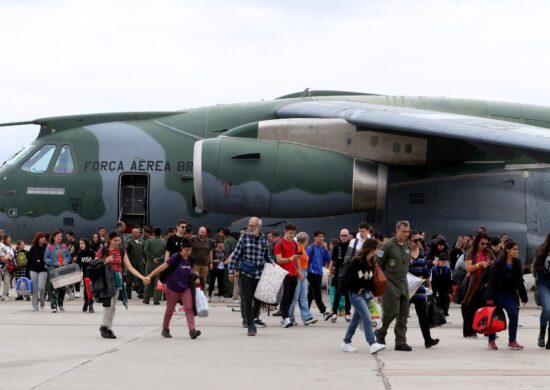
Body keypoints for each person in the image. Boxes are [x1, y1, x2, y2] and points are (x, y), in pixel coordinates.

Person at [94, 231, 148, 339]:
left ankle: (109, 328)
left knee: (113, 306)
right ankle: (104, 327)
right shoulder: (103, 250)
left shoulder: (122, 251)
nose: (117, 242)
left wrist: (142, 277)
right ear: (110, 240)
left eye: (119, 240)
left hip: (117, 279)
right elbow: (94, 264)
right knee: (107, 304)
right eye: (115, 240)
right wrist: (105, 261)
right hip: (106, 279)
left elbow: (130, 267)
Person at [145, 238, 201, 339]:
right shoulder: (176, 257)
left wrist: (195, 274)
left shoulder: (191, 259)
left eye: (190, 250)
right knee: (170, 310)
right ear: (181, 248)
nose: (188, 252)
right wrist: (149, 276)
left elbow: (190, 270)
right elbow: (162, 267)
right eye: (186, 250)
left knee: (189, 308)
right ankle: (165, 329)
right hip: (172, 287)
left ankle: (192, 330)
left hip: (185, 287)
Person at [228, 217, 273, 336]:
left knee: (258, 300)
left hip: (259, 274)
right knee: (247, 299)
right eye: (249, 225)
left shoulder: (264, 240)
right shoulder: (244, 238)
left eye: (252, 226)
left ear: (259, 226)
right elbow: (236, 255)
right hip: (245, 273)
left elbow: (267, 256)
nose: (250, 228)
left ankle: (251, 319)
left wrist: (273, 264)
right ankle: (251, 326)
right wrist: (231, 271)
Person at [341, 238, 386, 354]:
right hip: (356, 295)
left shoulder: (371, 263)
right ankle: (372, 343)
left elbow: (370, 281)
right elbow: (347, 278)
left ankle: (346, 341)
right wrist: (356, 288)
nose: (378, 250)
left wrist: (372, 293)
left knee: (355, 320)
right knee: (367, 317)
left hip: (367, 295)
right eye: (377, 248)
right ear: (372, 249)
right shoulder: (356, 262)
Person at [375, 220, 413, 351]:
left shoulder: (407, 246)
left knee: (403, 314)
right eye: (403, 231)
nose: (406, 234)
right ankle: (381, 332)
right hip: (390, 283)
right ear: (397, 230)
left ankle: (401, 342)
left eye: (408, 231)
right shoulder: (388, 245)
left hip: (403, 283)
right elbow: (378, 264)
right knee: (391, 312)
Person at [483, 241, 528, 350]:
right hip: (498, 294)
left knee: (514, 315)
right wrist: (489, 297)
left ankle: (512, 341)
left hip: (510, 295)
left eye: (517, 249)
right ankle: (491, 341)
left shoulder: (517, 263)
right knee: (495, 317)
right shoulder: (498, 263)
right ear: (507, 250)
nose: (516, 251)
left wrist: (524, 297)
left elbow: (520, 281)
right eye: (514, 249)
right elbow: (492, 281)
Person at [408, 231, 439, 348]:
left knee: (423, 316)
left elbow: (424, 270)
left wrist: (429, 285)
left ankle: (428, 340)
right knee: (401, 315)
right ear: (409, 241)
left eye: (420, 240)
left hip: (419, 288)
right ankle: (385, 335)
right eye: (416, 240)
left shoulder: (421, 252)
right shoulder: (405, 253)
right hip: (407, 289)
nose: (418, 242)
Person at [461, 233, 495, 339]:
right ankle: (469, 331)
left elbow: (496, 263)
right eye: (482, 243)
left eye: (486, 243)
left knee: (487, 307)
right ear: (477, 242)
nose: (484, 245)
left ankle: (487, 330)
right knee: (471, 307)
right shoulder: (472, 253)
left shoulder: (489, 252)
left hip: (486, 283)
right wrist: (479, 264)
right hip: (474, 284)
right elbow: (468, 268)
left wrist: (490, 263)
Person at [274, 224, 301, 328]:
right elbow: (278, 260)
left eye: (293, 233)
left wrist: (299, 271)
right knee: (285, 296)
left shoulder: (294, 243)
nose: (292, 235)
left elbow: (297, 257)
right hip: (283, 273)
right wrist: (290, 258)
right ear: (285, 231)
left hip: (293, 273)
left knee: (291, 297)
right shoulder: (279, 243)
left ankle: (284, 317)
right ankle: (285, 318)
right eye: (290, 233)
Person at [288, 232, 318, 326]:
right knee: (295, 297)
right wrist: (299, 271)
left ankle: (306, 317)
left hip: (303, 273)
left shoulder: (301, 248)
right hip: (299, 273)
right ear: (306, 240)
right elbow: (297, 260)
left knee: (303, 296)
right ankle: (290, 317)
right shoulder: (298, 248)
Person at [327, 228, 352, 322]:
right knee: (337, 293)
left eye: (346, 235)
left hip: (348, 273)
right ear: (340, 236)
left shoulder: (351, 247)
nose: (344, 237)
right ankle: (334, 313)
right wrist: (331, 268)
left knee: (347, 295)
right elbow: (333, 259)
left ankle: (348, 313)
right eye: (342, 235)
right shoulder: (337, 246)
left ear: (348, 236)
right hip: (338, 272)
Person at [44, 230, 72, 312]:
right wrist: (56, 263)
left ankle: (60, 304)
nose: (59, 237)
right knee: (53, 288)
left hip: (62, 269)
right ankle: (54, 305)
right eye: (58, 236)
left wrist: (65, 261)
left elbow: (68, 256)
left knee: (62, 288)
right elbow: (46, 258)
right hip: (53, 269)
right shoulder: (50, 247)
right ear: (54, 237)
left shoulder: (64, 246)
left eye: (60, 236)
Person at [307, 230, 332, 321]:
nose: (321, 238)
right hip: (312, 273)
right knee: (317, 294)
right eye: (319, 236)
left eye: (322, 237)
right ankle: (324, 311)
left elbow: (329, 259)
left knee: (310, 294)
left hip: (319, 274)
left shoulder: (322, 248)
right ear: (315, 237)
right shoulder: (310, 248)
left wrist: (326, 249)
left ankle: (306, 312)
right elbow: (306, 261)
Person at [532, 232, 550, 349]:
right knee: (548, 309)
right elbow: (535, 267)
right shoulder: (542, 249)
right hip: (544, 282)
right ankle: (542, 334)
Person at [143, 228, 166, 305]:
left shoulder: (149, 241)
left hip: (150, 264)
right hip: (160, 265)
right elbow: (166, 253)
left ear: (153, 233)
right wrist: (159, 259)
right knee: (158, 282)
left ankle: (146, 299)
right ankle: (156, 300)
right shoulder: (164, 242)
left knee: (147, 280)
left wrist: (152, 258)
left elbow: (145, 250)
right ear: (160, 233)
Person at [27, 232, 48, 311]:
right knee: (34, 288)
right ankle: (35, 306)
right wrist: (27, 271)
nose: (43, 239)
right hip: (33, 270)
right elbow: (29, 259)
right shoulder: (33, 247)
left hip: (43, 270)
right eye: (42, 237)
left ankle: (42, 301)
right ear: (38, 239)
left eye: (44, 237)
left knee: (41, 287)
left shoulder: (47, 247)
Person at [125, 227, 146, 299]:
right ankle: (128, 293)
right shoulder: (129, 241)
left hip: (140, 260)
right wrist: (127, 262)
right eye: (136, 232)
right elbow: (126, 252)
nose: (138, 234)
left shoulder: (142, 241)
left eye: (138, 232)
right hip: (132, 260)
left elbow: (145, 251)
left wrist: (144, 258)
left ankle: (141, 293)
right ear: (133, 233)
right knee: (129, 278)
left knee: (141, 276)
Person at [76, 238, 95, 313]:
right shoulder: (80, 254)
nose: (81, 245)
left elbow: (96, 262)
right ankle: (86, 302)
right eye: (80, 244)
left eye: (82, 243)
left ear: (86, 244)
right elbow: (78, 266)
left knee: (90, 289)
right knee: (86, 290)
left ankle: (90, 304)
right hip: (85, 274)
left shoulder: (91, 253)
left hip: (92, 274)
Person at [431, 252, 452, 317]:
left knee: (445, 302)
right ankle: (439, 313)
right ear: (438, 261)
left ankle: (445, 312)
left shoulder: (447, 269)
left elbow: (449, 281)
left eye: (445, 262)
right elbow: (432, 280)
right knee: (438, 302)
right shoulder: (434, 269)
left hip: (445, 289)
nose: (443, 264)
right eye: (442, 262)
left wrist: (450, 291)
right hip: (437, 289)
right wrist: (432, 290)